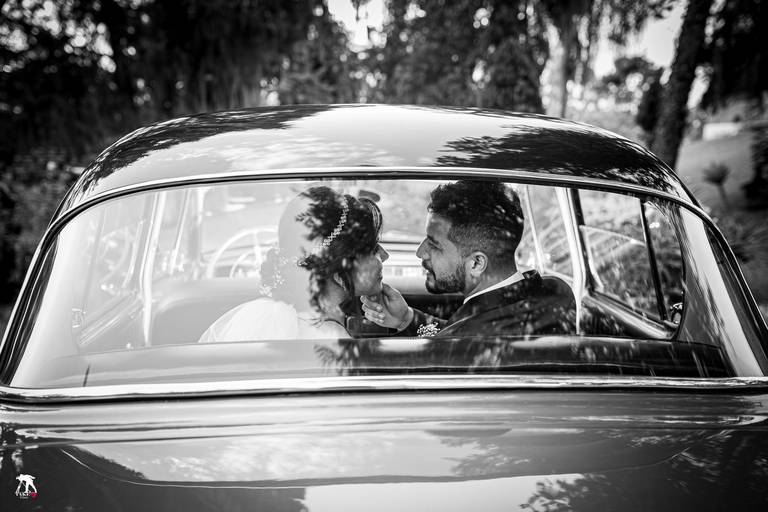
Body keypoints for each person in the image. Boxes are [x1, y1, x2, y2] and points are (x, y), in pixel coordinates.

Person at [361, 180, 575, 337]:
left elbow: (456, 336)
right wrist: (407, 319)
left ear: (476, 263)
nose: (420, 252)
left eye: (434, 245)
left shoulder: (457, 343)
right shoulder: (558, 292)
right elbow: (465, 330)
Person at [200, 186, 388, 342]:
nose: (385, 255)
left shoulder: (257, 319)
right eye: (372, 249)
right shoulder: (330, 341)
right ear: (339, 271)